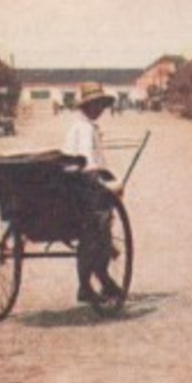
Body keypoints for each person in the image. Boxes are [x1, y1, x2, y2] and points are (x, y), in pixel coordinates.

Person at [61, 82, 121, 305]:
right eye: (96, 105)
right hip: (83, 186)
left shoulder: (79, 127)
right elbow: (88, 163)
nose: (100, 109)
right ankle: (92, 282)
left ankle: (100, 280)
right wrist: (105, 185)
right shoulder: (85, 129)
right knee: (99, 224)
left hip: (71, 183)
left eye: (101, 105)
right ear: (86, 106)